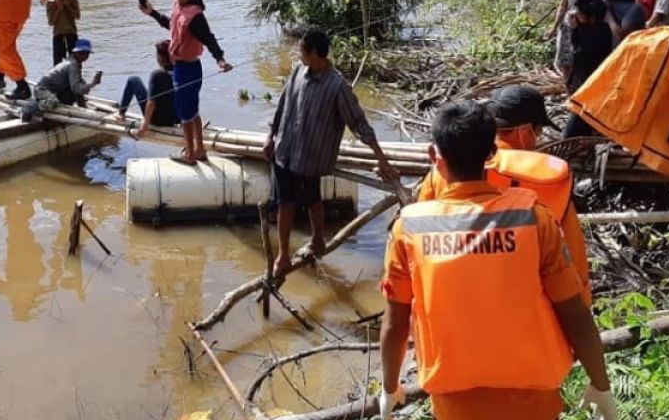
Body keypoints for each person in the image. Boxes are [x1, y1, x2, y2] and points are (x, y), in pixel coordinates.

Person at [378, 101, 616, 420]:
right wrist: (600, 385)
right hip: (533, 397)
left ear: (434, 157)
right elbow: (574, 312)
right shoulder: (533, 219)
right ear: (492, 153)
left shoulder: (409, 228)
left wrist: (389, 386)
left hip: (455, 400)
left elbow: (395, 324)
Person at [416, 85, 593, 306]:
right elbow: (574, 264)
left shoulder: (444, 171)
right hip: (527, 309)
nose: (537, 139)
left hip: (456, 302)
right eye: (538, 132)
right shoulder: (547, 179)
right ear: (525, 130)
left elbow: (417, 246)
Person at [264, 28, 398, 276]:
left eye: (302, 50)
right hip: (285, 149)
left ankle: (317, 239)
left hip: (310, 157)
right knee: (285, 203)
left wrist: (381, 158)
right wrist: (270, 136)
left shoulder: (337, 87)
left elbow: (359, 124)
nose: (298, 54)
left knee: (313, 199)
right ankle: (283, 256)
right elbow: (283, 104)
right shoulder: (298, 72)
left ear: (315, 54)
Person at [141, 0, 233, 165]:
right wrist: (152, 13)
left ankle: (190, 154)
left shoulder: (194, 15)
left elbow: (208, 38)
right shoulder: (179, 6)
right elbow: (171, 26)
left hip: (188, 69)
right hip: (184, 67)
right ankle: (199, 149)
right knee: (193, 111)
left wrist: (220, 59)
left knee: (185, 114)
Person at [118, 40, 179, 137]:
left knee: (133, 80)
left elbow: (152, 102)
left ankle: (121, 113)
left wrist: (145, 124)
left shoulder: (157, 75)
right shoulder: (182, 72)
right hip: (177, 118)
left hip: (158, 120)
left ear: (160, 57)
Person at [34, 38, 100, 108]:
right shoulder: (72, 65)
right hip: (42, 90)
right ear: (76, 53)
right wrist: (92, 84)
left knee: (81, 82)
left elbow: (76, 86)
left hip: (57, 90)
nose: (84, 56)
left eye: (86, 54)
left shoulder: (75, 63)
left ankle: (77, 105)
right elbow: (76, 88)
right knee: (53, 102)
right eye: (81, 53)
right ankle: (33, 105)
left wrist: (83, 106)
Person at [46, 0, 81, 65]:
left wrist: (68, 5)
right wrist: (58, 9)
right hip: (58, 34)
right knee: (58, 63)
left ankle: (76, 79)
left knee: (75, 61)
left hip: (71, 33)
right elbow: (51, 22)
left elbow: (77, 16)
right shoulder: (51, 2)